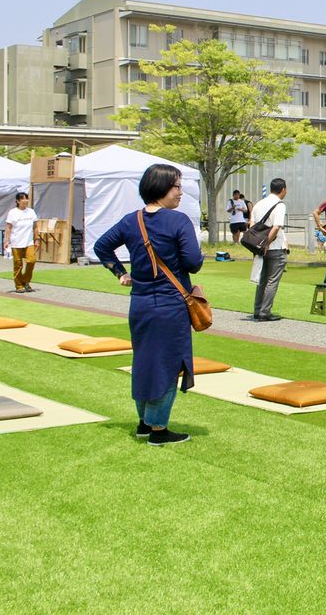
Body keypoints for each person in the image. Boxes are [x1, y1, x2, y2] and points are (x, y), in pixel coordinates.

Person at [95, 164, 204, 446]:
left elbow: (102, 246)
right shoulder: (178, 221)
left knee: (144, 361)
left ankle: (144, 422)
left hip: (141, 303)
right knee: (168, 364)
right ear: (162, 188)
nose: (180, 192)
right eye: (176, 186)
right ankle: (158, 428)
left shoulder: (132, 221)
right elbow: (193, 262)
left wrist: (121, 272)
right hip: (170, 304)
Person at [251, 178, 289, 322]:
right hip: (274, 247)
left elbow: (252, 225)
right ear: (283, 189)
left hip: (259, 247)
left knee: (262, 279)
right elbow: (276, 226)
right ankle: (265, 312)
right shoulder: (279, 205)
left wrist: (258, 245)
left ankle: (257, 309)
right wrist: (267, 242)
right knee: (272, 280)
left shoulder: (259, 204)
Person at [3, 192, 38, 293]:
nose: (25, 201)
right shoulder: (13, 212)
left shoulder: (31, 212)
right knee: (18, 264)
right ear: (17, 201)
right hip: (16, 241)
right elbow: (9, 227)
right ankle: (19, 285)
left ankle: (26, 281)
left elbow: (35, 226)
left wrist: (36, 239)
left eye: (26, 199)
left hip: (29, 241)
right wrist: (6, 240)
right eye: (22, 199)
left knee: (31, 261)